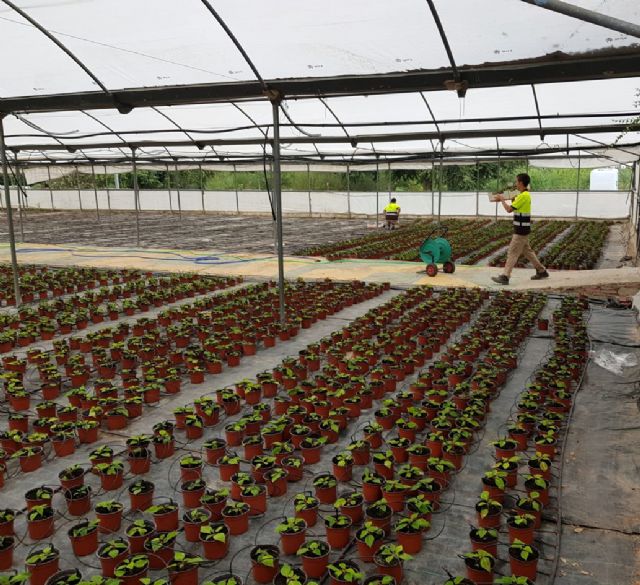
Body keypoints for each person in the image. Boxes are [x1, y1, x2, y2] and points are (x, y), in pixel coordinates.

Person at [491, 173, 549, 285]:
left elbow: (509, 210)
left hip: (521, 230)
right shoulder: (524, 195)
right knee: (528, 251)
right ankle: (541, 271)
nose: (515, 184)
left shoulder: (523, 196)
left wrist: (502, 199)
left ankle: (505, 276)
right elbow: (516, 207)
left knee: (512, 252)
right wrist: (512, 200)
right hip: (523, 228)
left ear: (521, 183)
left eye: (517, 182)